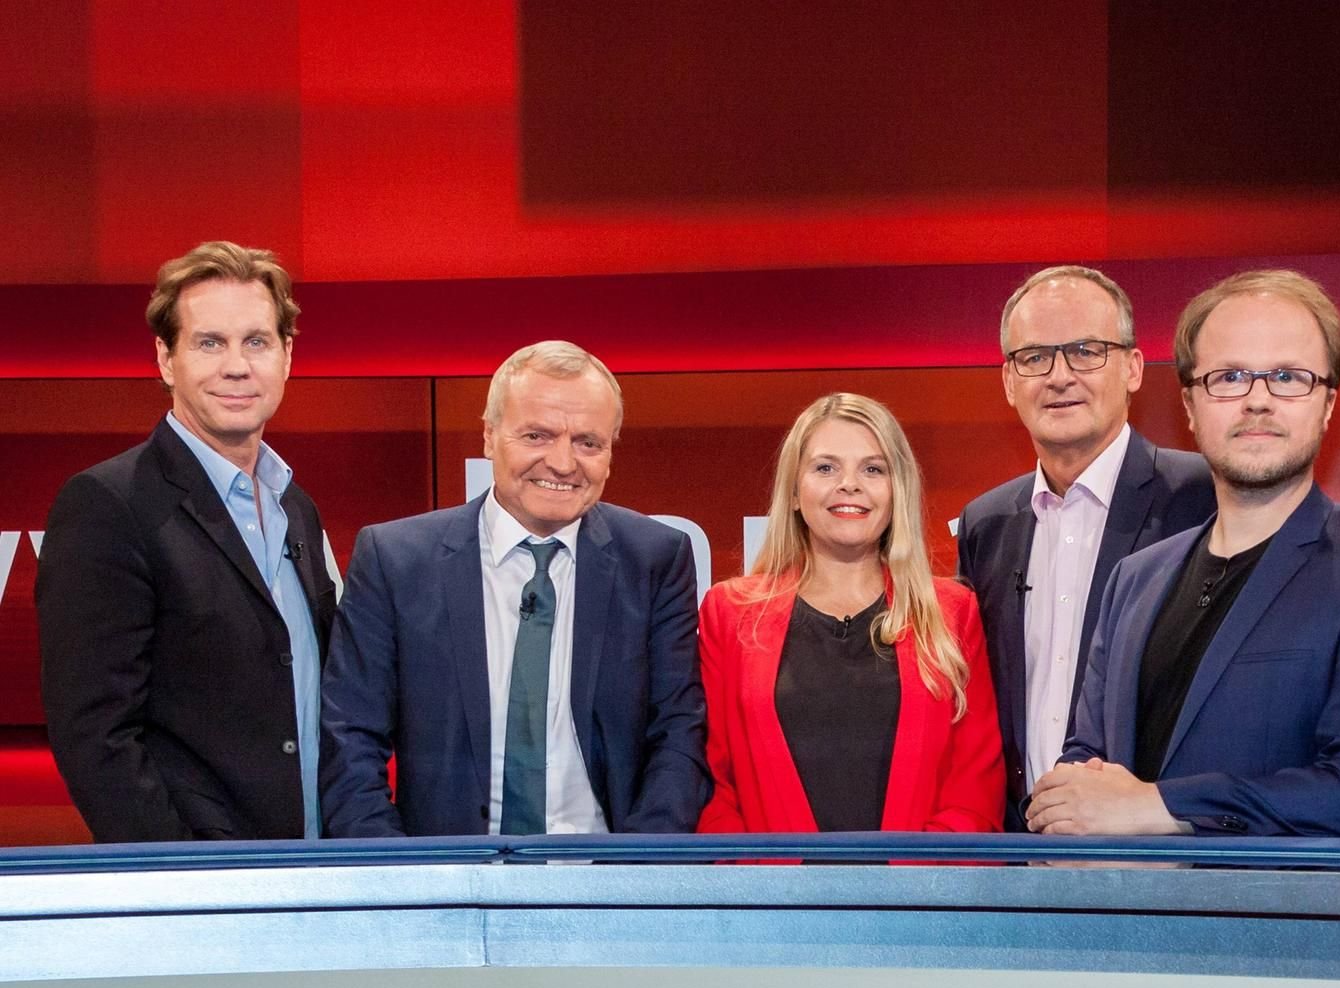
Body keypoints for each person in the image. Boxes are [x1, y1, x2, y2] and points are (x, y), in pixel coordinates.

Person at [1027, 270, 1340, 837]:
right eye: (1228, 377)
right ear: (1191, 407)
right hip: (1121, 915)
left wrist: (1161, 807)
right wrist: (1070, 809)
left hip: (1284, 921)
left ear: (1328, 404)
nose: (1257, 400)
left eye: (1287, 377)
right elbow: (1086, 753)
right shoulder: (1136, 577)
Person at [320, 340, 708, 836]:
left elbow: (679, 732)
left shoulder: (655, 558)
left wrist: (633, 876)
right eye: (537, 435)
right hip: (445, 883)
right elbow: (350, 737)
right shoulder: (395, 559)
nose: (564, 463)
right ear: (488, 436)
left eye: (588, 442)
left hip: (607, 880)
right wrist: (403, 875)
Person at [37, 241, 334, 842]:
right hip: (200, 888)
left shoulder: (294, 506)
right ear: (166, 360)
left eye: (256, 341)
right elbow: (95, 735)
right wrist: (177, 872)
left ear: (286, 356)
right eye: (209, 343)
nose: (236, 365)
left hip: (312, 875)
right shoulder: (108, 505)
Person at [957, 266, 1214, 831]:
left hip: (1162, 862)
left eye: (1085, 351)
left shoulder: (1203, 499)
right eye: (1034, 357)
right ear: (1007, 381)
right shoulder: (985, 524)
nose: (1059, 376)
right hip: (1016, 859)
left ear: (1133, 368)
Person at [699, 393, 1002, 832]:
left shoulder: (952, 613)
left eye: (873, 469)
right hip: (771, 894)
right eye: (826, 467)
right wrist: (758, 886)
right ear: (795, 493)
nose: (849, 484)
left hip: (919, 894)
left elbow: (975, 788)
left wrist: (919, 890)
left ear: (897, 491)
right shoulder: (729, 613)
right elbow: (713, 783)